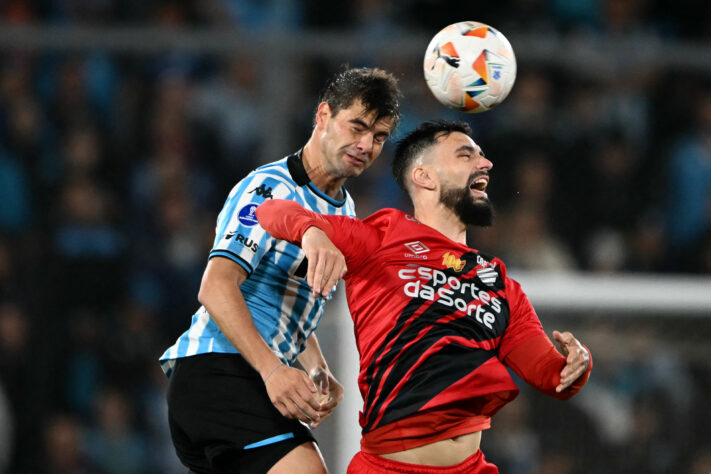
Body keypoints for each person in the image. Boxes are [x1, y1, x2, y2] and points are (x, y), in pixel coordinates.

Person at [256, 120, 592, 474]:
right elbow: (272, 211)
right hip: (389, 467)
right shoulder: (381, 238)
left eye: (481, 155)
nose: (485, 163)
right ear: (425, 177)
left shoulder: (501, 285)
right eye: (466, 154)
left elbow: (553, 377)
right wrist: (311, 232)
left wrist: (577, 364)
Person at [159, 67, 401, 474]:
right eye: (357, 127)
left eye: (378, 137)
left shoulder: (343, 209)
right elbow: (216, 287)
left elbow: (285, 297)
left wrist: (316, 366)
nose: (365, 145)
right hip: (221, 369)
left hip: (236, 377)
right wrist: (274, 371)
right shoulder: (270, 187)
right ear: (323, 115)